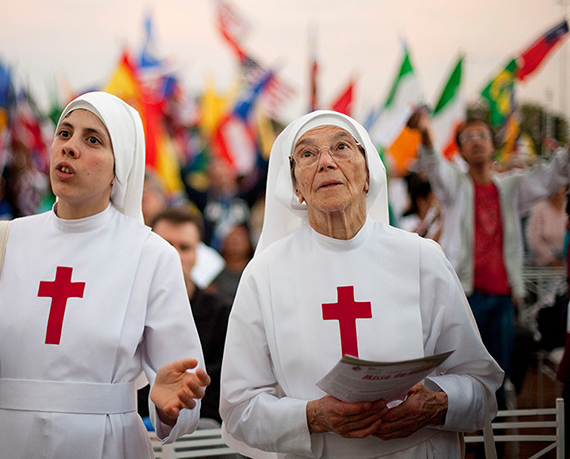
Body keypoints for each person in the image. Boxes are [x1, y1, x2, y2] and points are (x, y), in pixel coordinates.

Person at [0, 91, 209, 458]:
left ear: (120, 166)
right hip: (10, 439)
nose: (70, 147)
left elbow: (180, 387)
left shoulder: (151, 255)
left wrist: (173, 407)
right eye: (65, 133)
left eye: (92, 140)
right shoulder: (1, 242)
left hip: (107, 444)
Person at [220, 110, 502, 458]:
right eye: (307, 154)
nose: (325, 162)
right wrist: (313, 416)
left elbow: (481, 385)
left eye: (341, 147)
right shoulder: (263, 275)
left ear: (369, 174)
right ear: (295, 187)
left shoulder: (422, 258)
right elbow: (237, 409)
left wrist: (439, 404)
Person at [410, 110, 570, 407]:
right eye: (467, 137)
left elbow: (549, 178)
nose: (476, 141)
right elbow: (434, 165)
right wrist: (425, 131)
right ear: (460, 149)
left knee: (498, 376)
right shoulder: (455, 187)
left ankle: (494, 446)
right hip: (464, 296)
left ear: (493, 144)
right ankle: (465, 443)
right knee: (459, 376)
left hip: (502, 297)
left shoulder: (510, 188)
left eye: (481, 134)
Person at [150, 206, 232, 424]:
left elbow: (225, 386)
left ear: (197, 255)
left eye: (184, 247)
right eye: (165, 245)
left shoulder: (222, 313)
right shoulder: (127, 308)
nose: (174, 255)